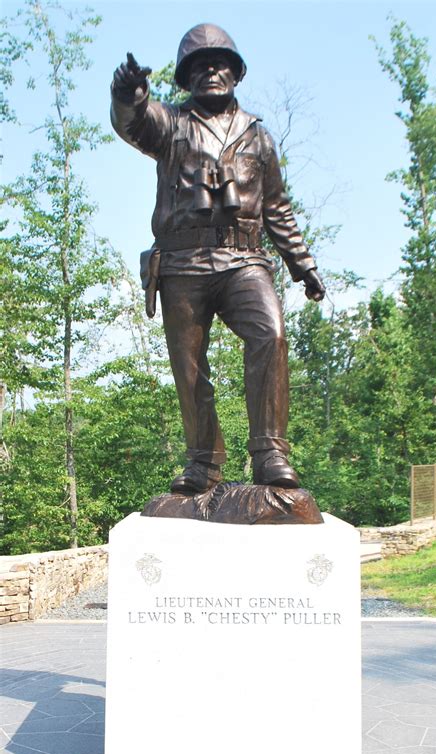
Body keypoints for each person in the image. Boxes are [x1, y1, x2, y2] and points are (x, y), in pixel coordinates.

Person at [111, 23, 325, 495]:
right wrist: (128, 96)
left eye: (220, 62)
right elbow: (132, 123)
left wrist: (302, 264)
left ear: (236, 72)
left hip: (243, 256)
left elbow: (277, 208)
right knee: (188, 364)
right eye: (199, 64)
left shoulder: (259, 137)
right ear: (186, 78)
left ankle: (270, 452)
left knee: (270, 334)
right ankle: (204, 462)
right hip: (183, 260)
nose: (211, 70)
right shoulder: (169, 123)